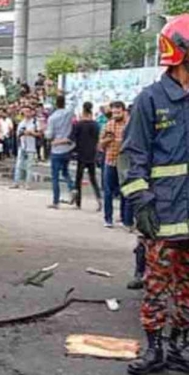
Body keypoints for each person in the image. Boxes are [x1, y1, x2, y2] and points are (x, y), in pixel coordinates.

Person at [121, 15, 189, 374]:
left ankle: (179, 347)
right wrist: (141, 202)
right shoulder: (150, 101)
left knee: (187, 289)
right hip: (161, 217)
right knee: (156, 286)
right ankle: (155, 350)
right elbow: (132, 158)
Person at [100, 101, 133, 228]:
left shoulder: (129, 125)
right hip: (110, 160)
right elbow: (100, 145)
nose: (115, 114)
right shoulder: (108, 125)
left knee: (125, 191)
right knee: (108, 191)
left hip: (125, 163)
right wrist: (107, 140)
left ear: (123, 111)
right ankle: (108, 219)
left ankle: (125, 219)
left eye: (118, 112)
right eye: (113, 112)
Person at [67, 102, 102, 211]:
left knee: (78, 179)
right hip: (92, 154)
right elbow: (98, 138)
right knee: (93, 179)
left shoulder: (78, 124)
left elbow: (71, 139)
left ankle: (78, 203)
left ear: (83, 111)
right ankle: (99, 200)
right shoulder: (96, 125)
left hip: (81, 154)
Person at [45, 95, 77, 209]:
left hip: (56, 149)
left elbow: (49, 135)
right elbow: (74, 102)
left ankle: (55, 201)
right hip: (67, 148)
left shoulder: (52, 118)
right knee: (65, 171)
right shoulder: (68, 113)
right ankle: (72, 187)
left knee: (55, 176)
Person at [10, 105, 39, 189]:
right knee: (19, 165)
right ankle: (16, 182)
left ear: (31, 112)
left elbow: (40, 134)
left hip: (31, 147)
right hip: (22, 146)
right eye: (24, 111)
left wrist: (31, 133)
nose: (26, 113)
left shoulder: (35, 122)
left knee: (29, 166)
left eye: (27, 111)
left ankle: (28, 184)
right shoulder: (21, 123)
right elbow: (17, 134)